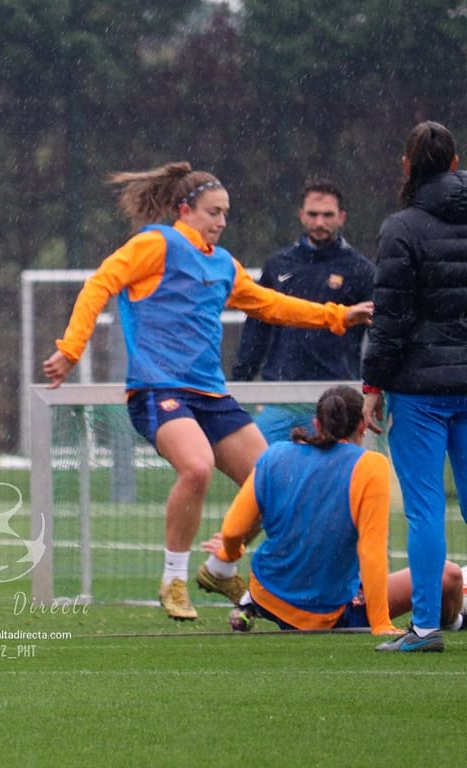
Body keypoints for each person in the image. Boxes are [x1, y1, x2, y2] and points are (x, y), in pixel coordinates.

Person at [43, 162, 373, 621]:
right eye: (212, 212)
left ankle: (220, 568)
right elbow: (100, 283)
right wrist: (71, 347)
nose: (220, 221)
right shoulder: (156, 243)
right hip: (157, 389)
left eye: (225, 213)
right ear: (185, 210)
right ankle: (173, 579)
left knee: (271, 481)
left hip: (209, 394)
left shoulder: (223, 264)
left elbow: (271, 305)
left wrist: (337, 316)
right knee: (196, 467)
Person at [204, 385, 466, 638]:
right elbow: (371, 552)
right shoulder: (369, 466)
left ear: (316, 424)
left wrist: (230, 552)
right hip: (326, 613)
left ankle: (251, 604)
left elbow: (233, 529)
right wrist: (381, 623)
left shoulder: (275, 454)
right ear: (363, 427)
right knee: (449, 576)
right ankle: (455, 621)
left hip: (267, 591)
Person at [363, 121, 467, 653]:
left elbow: (391, 318)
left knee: (426, 509)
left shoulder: (401, 228)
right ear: (454, 163)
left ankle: (425, 628)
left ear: (406, 167)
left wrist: (372, 383)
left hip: (420, 389)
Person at [232, 180, 376, 443]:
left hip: (336, 399)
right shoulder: (278, 264)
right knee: (256, 466)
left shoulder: (360, 270)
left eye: (327, 215)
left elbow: (381, 332)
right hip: (280, 395)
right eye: (312, 214)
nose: (319, 222)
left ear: (342, 217)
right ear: (301, 215)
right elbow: (257, 326)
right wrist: (241, 379)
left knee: (334, 477)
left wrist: (377, 384)